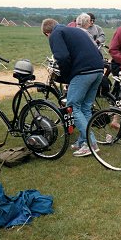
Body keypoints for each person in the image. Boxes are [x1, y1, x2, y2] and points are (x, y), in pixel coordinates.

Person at [41, 18, 104, 157]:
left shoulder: (55, 34)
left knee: (73, 106)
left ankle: (91, 143)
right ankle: (82, 141)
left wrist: (66, 77)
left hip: (84, 71)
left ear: (47, 33)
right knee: (85, 107)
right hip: (99, 69)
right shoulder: (75, 30)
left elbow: (62, 57)